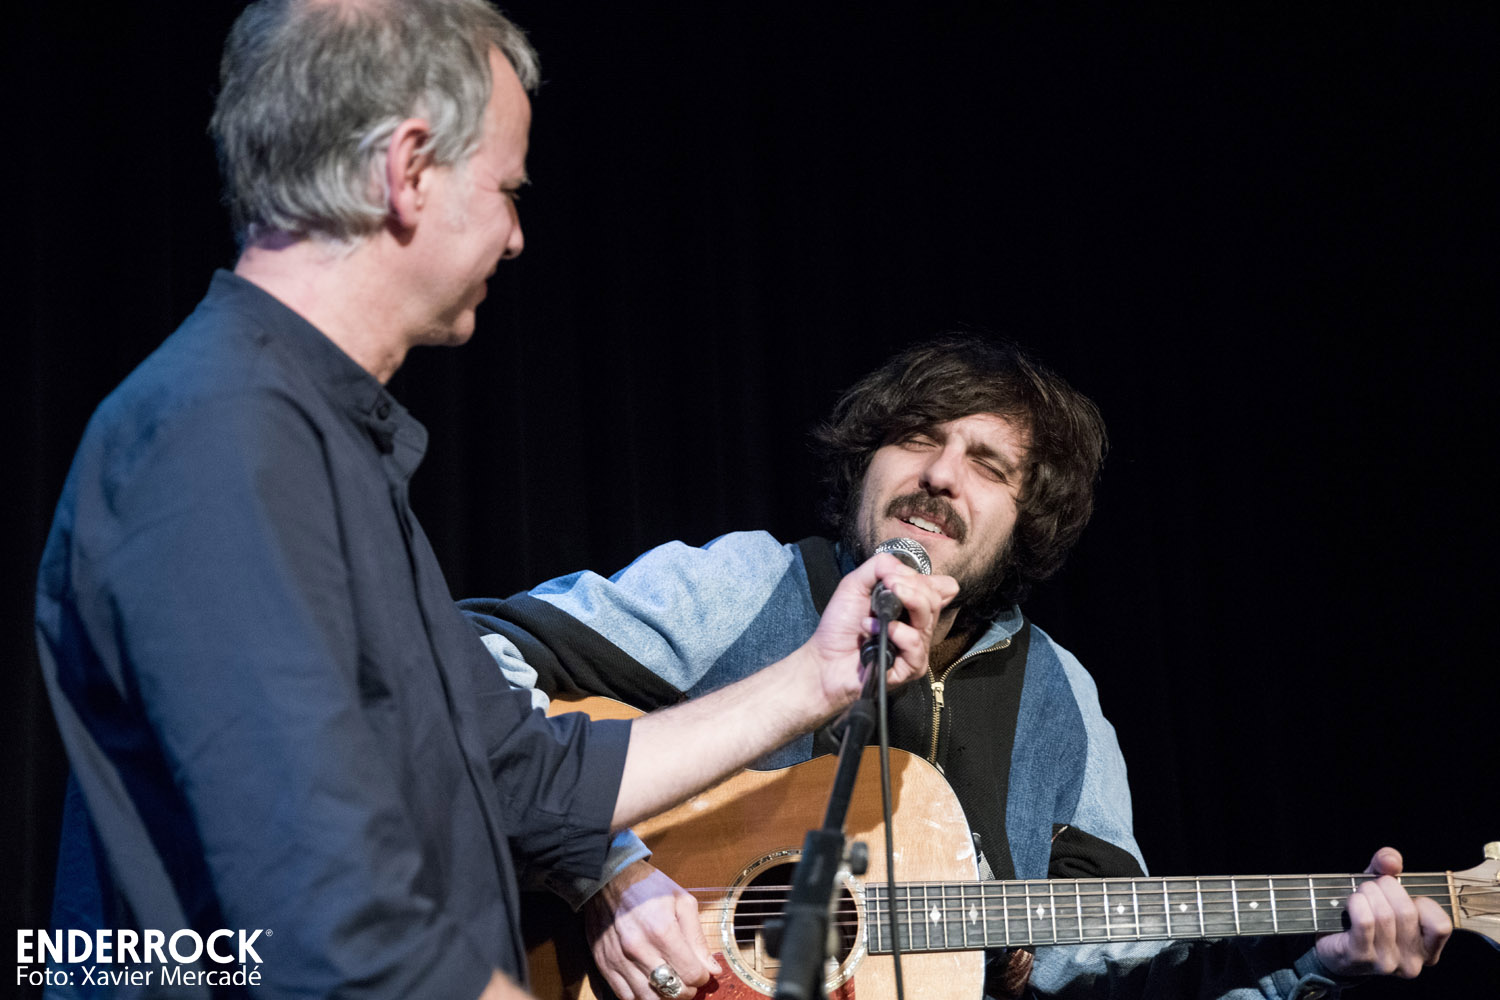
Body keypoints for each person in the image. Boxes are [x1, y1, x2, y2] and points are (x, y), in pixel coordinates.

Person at [32, 3, 956, 998]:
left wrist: (816, 678)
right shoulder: (217, 435)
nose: (517, 237)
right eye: (508, 190)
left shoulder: (312, 440)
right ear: (409, 169)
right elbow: (329, 919)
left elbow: (529, 778)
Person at [461, 335, 1453, 1000]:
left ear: (1028, 520)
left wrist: (1323, 972)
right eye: (918, 438)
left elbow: (1121, 976)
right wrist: (604, 867)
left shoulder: (1060, 702)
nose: (939, 473)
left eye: (988, 463)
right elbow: (458, 663)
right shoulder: (744, 586)